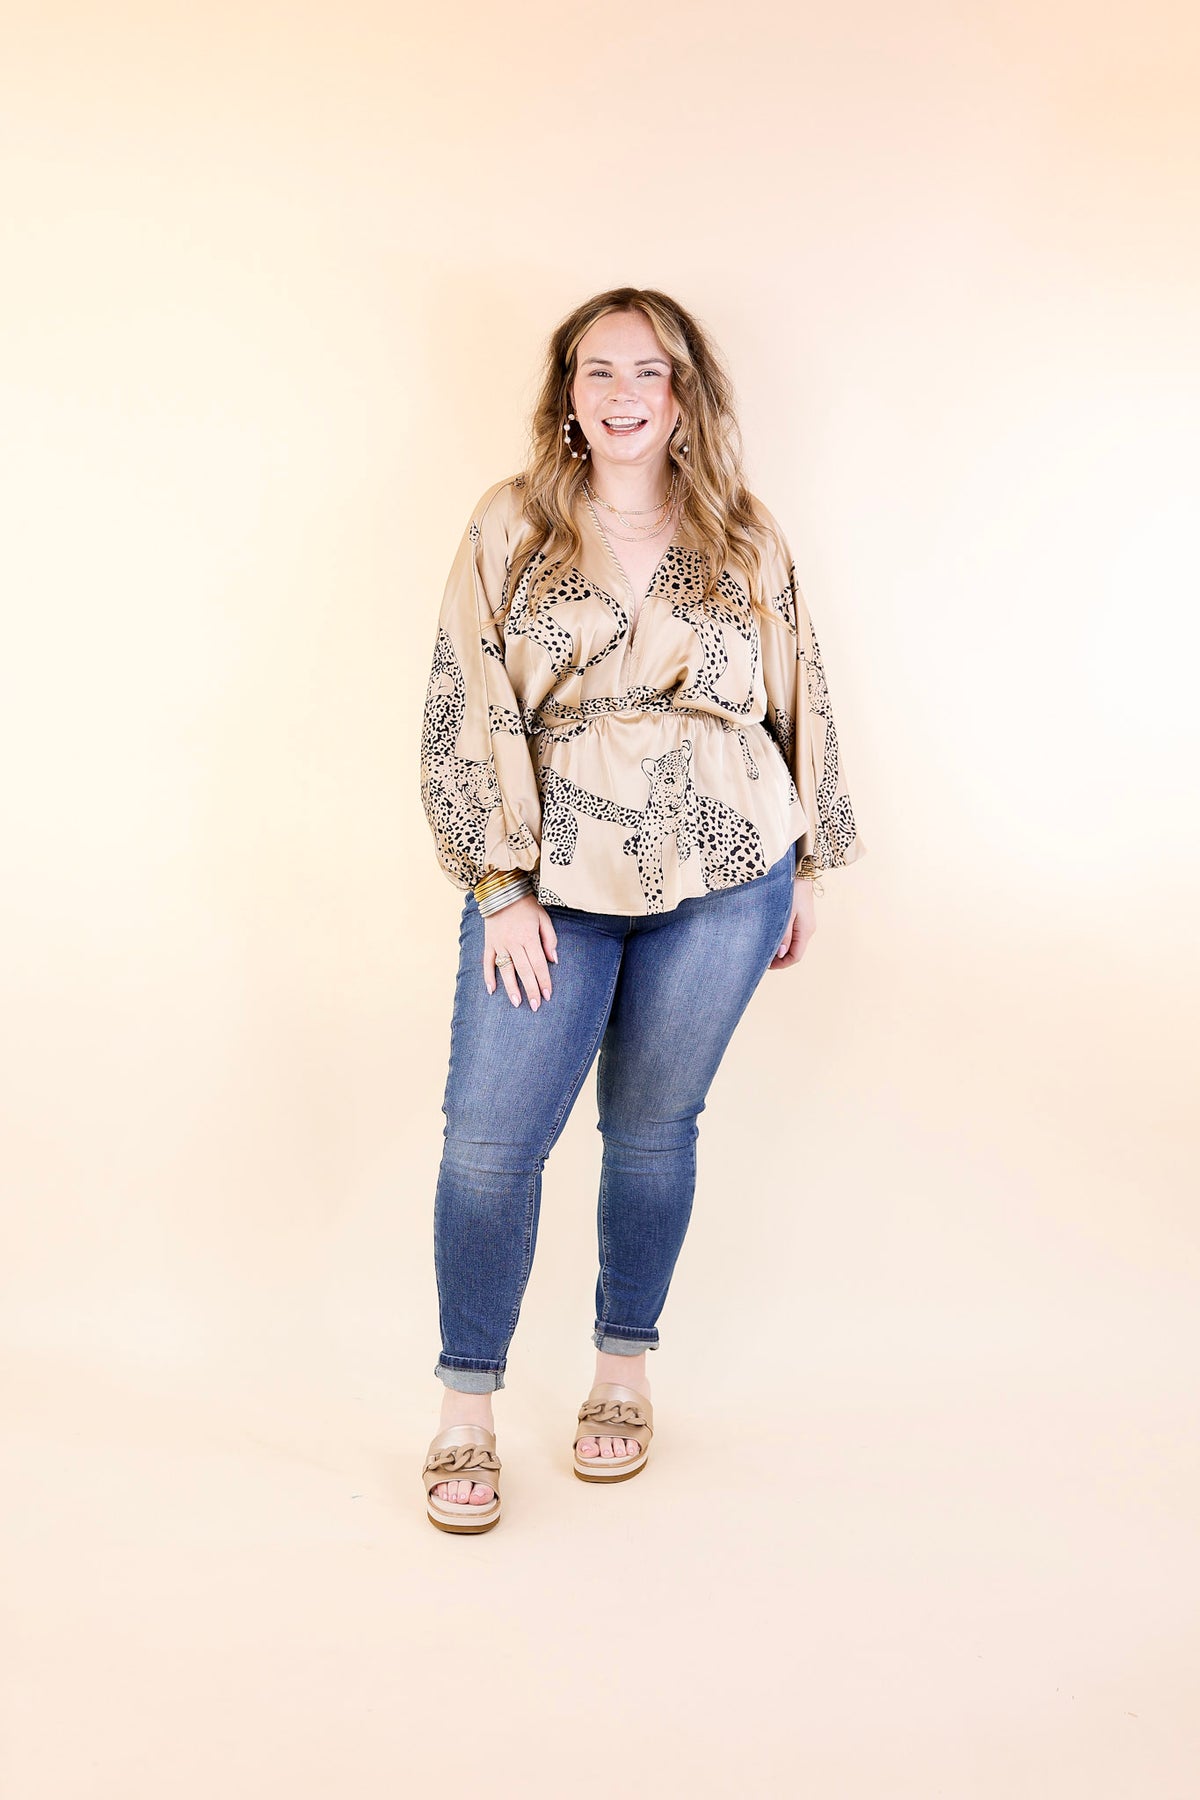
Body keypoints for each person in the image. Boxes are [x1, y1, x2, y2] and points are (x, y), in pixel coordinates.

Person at [417, 286, 866, 1533]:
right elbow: (466, 699)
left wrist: (804, 867)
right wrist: (498, 885)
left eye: (649, 372)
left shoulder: (743, 532)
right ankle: (465, 1407)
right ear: (568, 393)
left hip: (727, 872)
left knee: (655, 1129)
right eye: (598, 371)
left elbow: (800, 690)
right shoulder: (511, 523)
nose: (623, 394)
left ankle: (623, 1374)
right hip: (552, 878)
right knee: (490, 1142)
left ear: (683, 397)